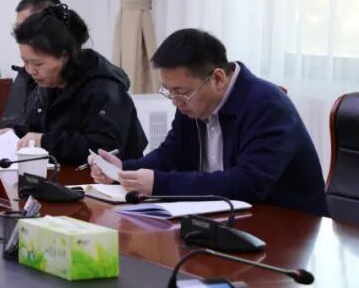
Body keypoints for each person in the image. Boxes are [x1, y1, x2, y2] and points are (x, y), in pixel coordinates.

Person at [91, 29, 329, 216]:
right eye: (169, 91)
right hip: (222, 218)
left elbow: (248, 183)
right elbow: (171, 155)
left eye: (181, 92)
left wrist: (160, 184)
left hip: (286, 227)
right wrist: (123, 169)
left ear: (218, 78)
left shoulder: (268, 106)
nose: (175, 101)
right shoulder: (191, 103)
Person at [0, 4, 147, 165]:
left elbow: (104, 147)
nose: (30, 70)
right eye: (25, 62)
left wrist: (43, 142)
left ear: (64, 56)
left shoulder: (104, 88)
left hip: (110, 178)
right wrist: (15, 133)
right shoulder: (50, 83)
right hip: (63, 175)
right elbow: (42, 129)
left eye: (37, 64)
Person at [0, 0, 61, 128]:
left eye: (25, 28)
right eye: (17, 29)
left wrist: (40, 139)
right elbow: (9, 128)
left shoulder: (60, 79)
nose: (19, 36)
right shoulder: (24, 73)